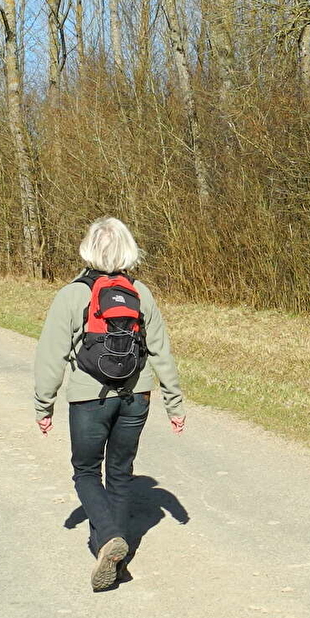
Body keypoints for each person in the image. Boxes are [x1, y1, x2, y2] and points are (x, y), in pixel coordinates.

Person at [33, 217, 186, 591]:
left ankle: (108, 540)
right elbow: (160, 350)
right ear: (128, 250)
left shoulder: (72, 294)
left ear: (88, 248)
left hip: (88, 398)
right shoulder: (141, 292)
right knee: (120, 473)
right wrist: (174, 403)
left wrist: (44, 404)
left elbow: (51, 354)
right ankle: (116, 556)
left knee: (86, 472)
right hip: (137, 396)